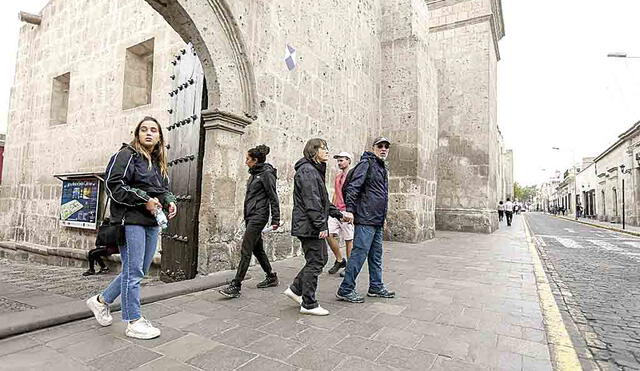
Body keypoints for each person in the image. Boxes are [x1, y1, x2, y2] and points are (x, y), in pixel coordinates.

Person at [86, 116, 177, 340]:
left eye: (153, 130)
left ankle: (100, 301)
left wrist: (170, 200)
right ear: (137, 134)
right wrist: (144, 199)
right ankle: (133, 321)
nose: (148, 133)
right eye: (144, 129)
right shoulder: (126, 155)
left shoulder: (157, 162)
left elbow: (162, 189)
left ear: (159, 136)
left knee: (137, 271)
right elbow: (113, 184)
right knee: (134, 272)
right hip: (131, 220)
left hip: (151, 221)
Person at [283, 138, 351, 316]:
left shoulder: (313, 170)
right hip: (309, 225)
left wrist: (340, 214)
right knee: (317, 260)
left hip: (310, 223)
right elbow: (312, 202)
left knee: (318, 258)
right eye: (323, 148)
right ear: (313, 151)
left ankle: (296, 289)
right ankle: (309, 304)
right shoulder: (307, 171)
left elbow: (322, 201)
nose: (327, 151)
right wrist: (322, 226)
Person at [336, 136, 395, 303]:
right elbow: (353, 188)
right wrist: (350, 210)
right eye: (380, 146)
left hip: (376, 220)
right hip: (366, 219)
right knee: (359, 254)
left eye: (386, 146)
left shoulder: (382, 167)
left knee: (376, 255)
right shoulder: (366, 163)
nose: (383, 149)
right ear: (374, 147)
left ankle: (376, 286)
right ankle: (346, 289)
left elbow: (381, 196)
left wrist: (383, 217)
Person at [219, 145, 281, 298]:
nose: (245, 161)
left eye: (248, 159)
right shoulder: (254, 173)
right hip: (251, 215)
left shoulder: (266, 174)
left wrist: (276, 219)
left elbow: (273, 197)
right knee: (257, 248)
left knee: (245, 249)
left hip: (259, 217)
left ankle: (236, 285)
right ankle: (271, 276)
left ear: (255, 160)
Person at [326, 151, 354, 276]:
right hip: (336, 211)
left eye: (341, 160)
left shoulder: (353, 176)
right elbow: (336, 193)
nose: (339, 163)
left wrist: (352, 212)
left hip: (347, 211)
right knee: (327, 233)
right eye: (338, 160)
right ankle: (339, 260)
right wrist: (331, 208)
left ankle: (350, 266)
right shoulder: (337, 177)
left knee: (349, 239)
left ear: (348, 161)